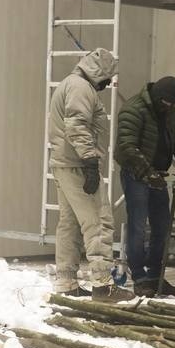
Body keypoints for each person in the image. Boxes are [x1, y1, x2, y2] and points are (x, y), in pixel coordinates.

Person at [48, 48, 131, 300]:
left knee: (69, 225)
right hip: (78, 164)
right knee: (98, 222)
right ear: (98, 72)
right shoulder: (81, 88)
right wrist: (90, 161)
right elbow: (77, 125)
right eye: (108, 77)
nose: (108, 83)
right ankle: (103, 283)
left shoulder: (70, 84)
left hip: (65, 163)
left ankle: (66, 283)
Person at [115, 76, 175, 297]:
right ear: (156, 96)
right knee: (138, 227)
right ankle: (140, 278)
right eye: (165, 102)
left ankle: (155, 276)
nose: (168, 106)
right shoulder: (133, 109)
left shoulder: (168, 110)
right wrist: (147, 172)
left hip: (158, 176)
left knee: (161, 228)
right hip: (136, 176)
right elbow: (126, 147)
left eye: (172, 103)